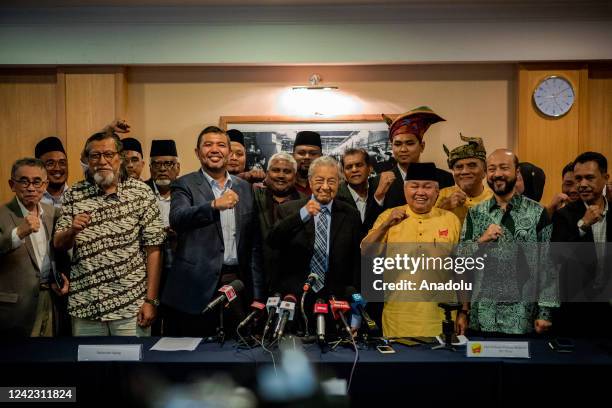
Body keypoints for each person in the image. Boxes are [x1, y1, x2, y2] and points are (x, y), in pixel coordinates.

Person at [53, 130, 165, 336]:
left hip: (131, 306)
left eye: (108, 154)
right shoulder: (75, 193)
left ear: (119, 158)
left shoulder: (141, 193)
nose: (102, 161)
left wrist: (150, 300)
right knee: (90, 367)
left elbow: (154, 250)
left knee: (132, 367)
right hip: (85, 306)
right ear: (87, 160)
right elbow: (59, 243)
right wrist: (72, 230)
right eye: (95, 156)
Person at [162, 126, 263, 338]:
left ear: (229, 152)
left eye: (221, 145)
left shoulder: (244, 188)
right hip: (195, 288)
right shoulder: (184, 184)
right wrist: (213, 205)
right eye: (208, 145)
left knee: (236, 354)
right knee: (194, 357)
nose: (214, 150)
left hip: (236, 283)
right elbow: (178, 219)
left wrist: (257, 295)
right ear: (198, 152)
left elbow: (253, 246)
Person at [458, 149, 557, 336]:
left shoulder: (537, 213)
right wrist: (481, 240)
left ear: (516, 172)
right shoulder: (475, 213)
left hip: (523, 319)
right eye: (492, 169)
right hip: (482, 318)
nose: (497, 174)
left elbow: (548, 264)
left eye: (504, 168)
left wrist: (545, 312)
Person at [362, 162, 462, 337]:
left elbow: (461, 269)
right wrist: (385, 226)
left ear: (437, 192)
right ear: (405, 189)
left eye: (427, 187)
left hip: (441, 318)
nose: (420, 192)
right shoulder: (388, 216)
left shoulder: (451, 220)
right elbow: (366, 251)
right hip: (398, 318)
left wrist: (464, 311)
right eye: (414, 186)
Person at [267, 156, 361, 333]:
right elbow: (272, 240)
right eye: (319, 180)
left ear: (339, 183)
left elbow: (356, 262)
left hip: (335, 299)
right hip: (295, 297)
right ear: (310, 181)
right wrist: (302, 215)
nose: (325, 186)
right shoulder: (289, 210)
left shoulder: (350, 214)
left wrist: (355, 303)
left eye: (331, 181)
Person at [0, 158, 69, 337]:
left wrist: (60, 277)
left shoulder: (54, 213)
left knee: (47, 361)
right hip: (14, 309)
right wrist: (18, 233)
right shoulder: (2, 214)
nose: (31, 187)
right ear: (12, 184)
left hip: (51, 302)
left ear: (45, 185)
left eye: (37, 181)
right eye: (24, 181)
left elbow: (59, 253)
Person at [551, 152, 611, 337]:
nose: (582, 184)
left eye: (589, 178)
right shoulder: (564, 215)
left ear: (605, 178)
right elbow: (557, 259)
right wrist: (583, 226)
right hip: (576, 314)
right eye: (578, 178)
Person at [377, 106, 454, 210]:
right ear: (392, 147)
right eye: (398, 144)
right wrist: (379, 196)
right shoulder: (378, 182)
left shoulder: (444, 179)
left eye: (409, 143)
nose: (403, 149)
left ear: (422, 146)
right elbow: (370, 223)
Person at [253, 152, 305, 293]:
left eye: (287, 171)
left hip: (295, 280)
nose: (281, 175)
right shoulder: (253, 195)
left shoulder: (307, 202)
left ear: (295, 175)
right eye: (276, 170)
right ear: (267, 173)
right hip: (258, 279)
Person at [145, 139, 181, 335]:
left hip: (179, 269)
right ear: (150, 168)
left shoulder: (187, 190)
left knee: (177, 325)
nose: (162, 169)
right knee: (151, 325)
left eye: (168, 164)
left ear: (177, 167)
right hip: (147, 272)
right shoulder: (141, 192)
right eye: (157, 164)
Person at [437, 133, 492, 223]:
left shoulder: (494, 199)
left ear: (485, 171)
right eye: (459, 167)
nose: (465, 171)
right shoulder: (443, 195)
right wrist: (444, 208)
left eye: (472, 165)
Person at [336, 148, 384, 236]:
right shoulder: (336, 198)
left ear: (370, 168)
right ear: (343, 172)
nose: (354, 170)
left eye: (359, 165)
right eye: (349, 167)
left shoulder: (380, 191)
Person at [35, 137, 68, 209]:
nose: (57, 168)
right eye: (50, 164)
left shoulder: (79, 198)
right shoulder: (32, 201)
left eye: (62, 163)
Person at [293, 131, 323, 196]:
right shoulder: (283, 183)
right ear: (293, 155)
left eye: (313, 154)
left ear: (321, 156)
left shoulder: (329, 185)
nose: (307, 157)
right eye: (301, 153)